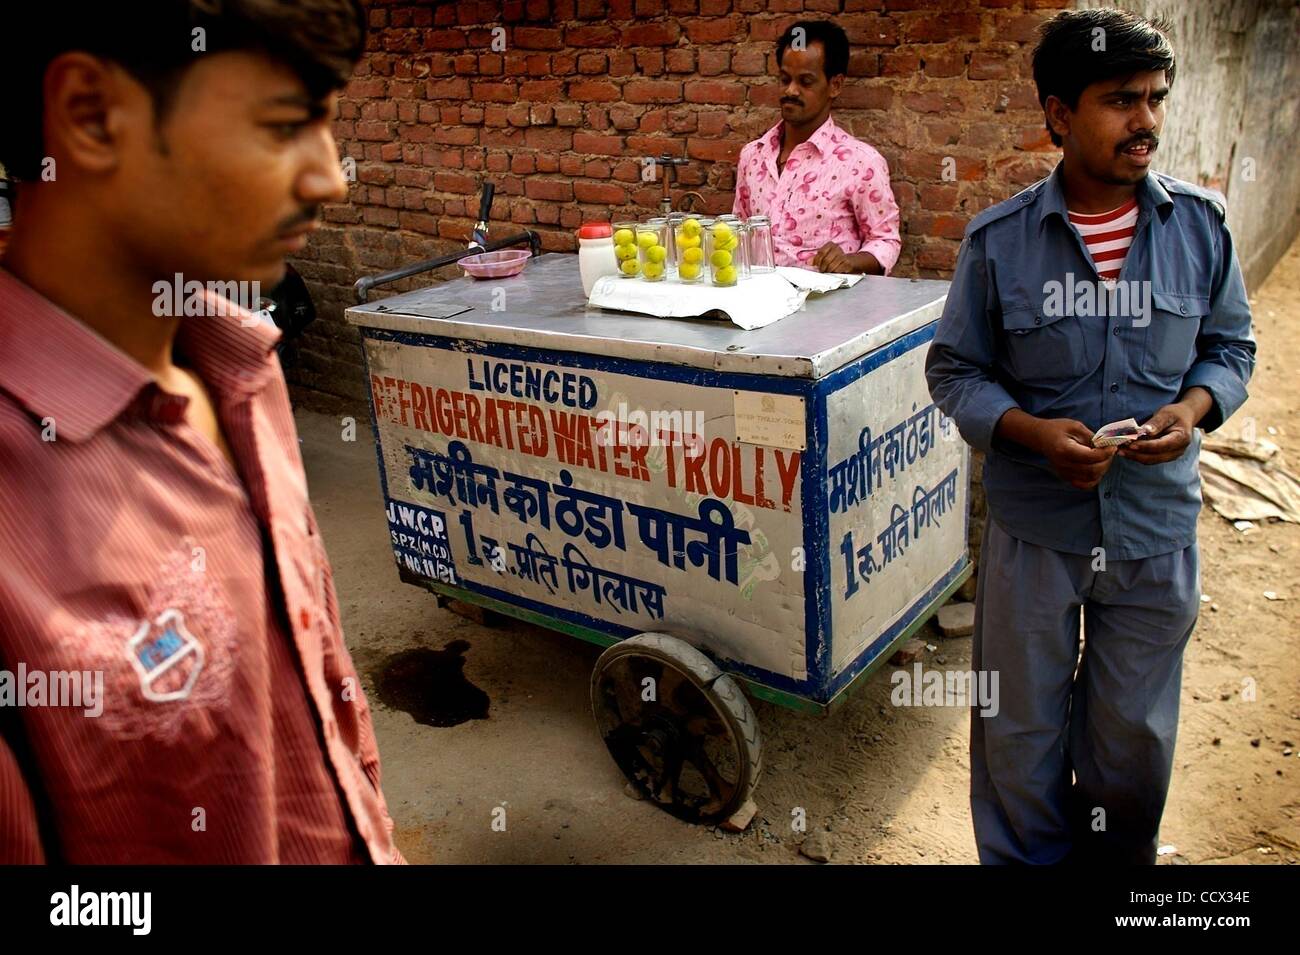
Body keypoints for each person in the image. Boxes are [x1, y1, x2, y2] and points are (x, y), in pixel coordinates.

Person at [0, 0, 404, 863]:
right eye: (285, 126)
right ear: (90, 114)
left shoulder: (245, 369)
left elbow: (324, 714)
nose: (330, 179)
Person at [925, 9, 1255, 864]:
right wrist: (1032, 433)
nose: (1145, 121)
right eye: (1120, 101)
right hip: (1035, 532)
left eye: (1154, 99)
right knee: (1018, 738)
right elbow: (954, 370)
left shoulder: (1202, 228)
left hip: (1153, 532)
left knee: (1132, 742)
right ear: (1059, 115)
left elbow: (1230, 348)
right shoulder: (999, 243)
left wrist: (1190, 414)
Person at [732, 20, 900, 275]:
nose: (791, 90)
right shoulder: (752, 156)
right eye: (785, 79)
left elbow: (886, 240)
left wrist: (850, 261)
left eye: (806, 82)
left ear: (835, 85)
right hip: (757, 307)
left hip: (830, 309)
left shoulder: (860, 162)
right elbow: (738, 231)